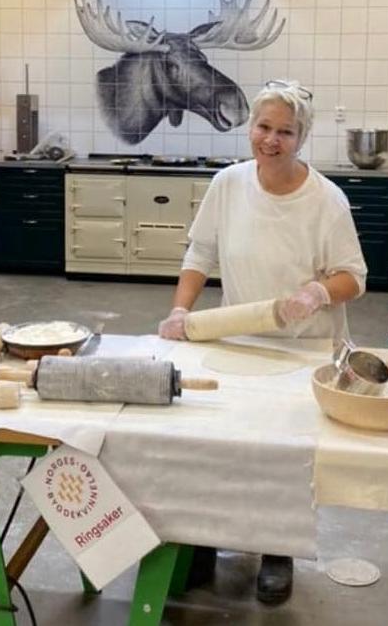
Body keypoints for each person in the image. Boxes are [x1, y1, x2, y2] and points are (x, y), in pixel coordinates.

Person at [158, 79, 367, 605]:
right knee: (220, 443)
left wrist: (318, 292)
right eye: (263, 127)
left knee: (283, 453)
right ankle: (205, 538)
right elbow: (200, 254)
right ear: (250, 127)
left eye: (285, 132)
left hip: (303, 347)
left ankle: (278, 548)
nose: (271, 140)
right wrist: (181, 310)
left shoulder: (326, 200)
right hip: (240, 339)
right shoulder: (228, 184)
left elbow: (355, 276)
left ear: (302, 138)